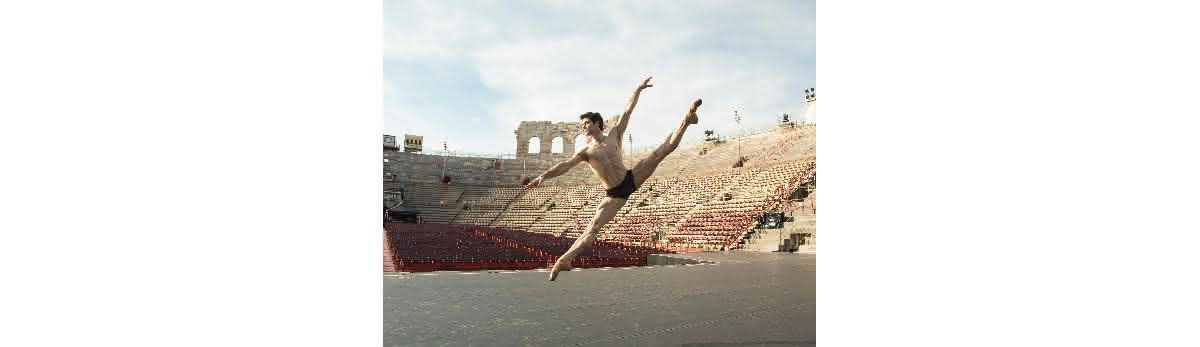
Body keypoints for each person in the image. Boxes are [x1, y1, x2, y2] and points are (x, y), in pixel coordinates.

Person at [524, 76, 702, 281]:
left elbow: (627, 111)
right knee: (593, 229)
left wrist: (637, 89)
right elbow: (564, 166)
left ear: (597, 123)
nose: (584, 127)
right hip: (614, 194)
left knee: (660, 152)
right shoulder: (586, 151)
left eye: (586, 123)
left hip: (630, 178)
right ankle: (564, 260)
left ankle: (686, 120)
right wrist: (543, 177)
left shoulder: (614, 135)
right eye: (583, 124)